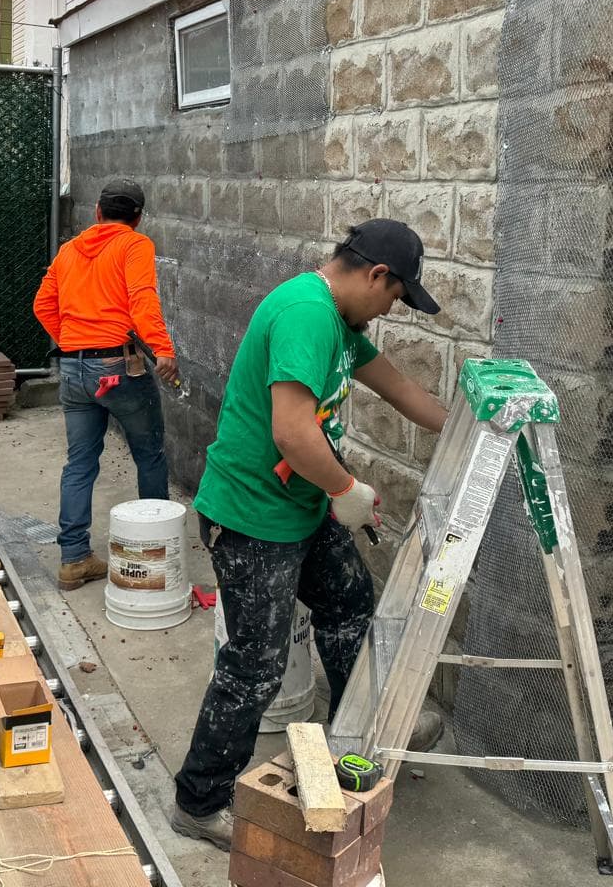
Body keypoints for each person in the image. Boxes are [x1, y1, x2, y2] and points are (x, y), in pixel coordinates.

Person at [170, 219, 449, 850]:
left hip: (296, 506)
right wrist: (346, 492)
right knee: (255, 668)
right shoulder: (307, 314)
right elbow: (293, 434)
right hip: (251, 518)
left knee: (349, 604)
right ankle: (199, 801)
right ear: (376, 276)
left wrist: (474, 421)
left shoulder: (344, 325)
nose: (390, 311)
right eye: (396, 297)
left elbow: (401, 389)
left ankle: (358, 742)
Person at [32, 179, 179, 591]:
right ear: (138, 217)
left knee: (79, 463)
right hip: (117, 367)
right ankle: (157, 554)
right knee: (149, 456)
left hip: (74, 370)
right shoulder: (135, 245)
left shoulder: (69, 250)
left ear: (97, 212)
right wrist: (163, 348)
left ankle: (74, 558)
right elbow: (142, 298)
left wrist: (72, 339)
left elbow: (42, 304)